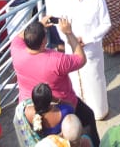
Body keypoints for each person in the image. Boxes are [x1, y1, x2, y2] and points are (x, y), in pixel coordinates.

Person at [10, 19, 98, 147]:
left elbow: (19, 37)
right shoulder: (56, 60)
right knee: (88, 116)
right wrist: (68, 33)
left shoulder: (16, 50)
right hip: (59, 104)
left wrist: (39, 24)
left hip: (30, 107)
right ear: (44, 41)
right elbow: (80, 59)